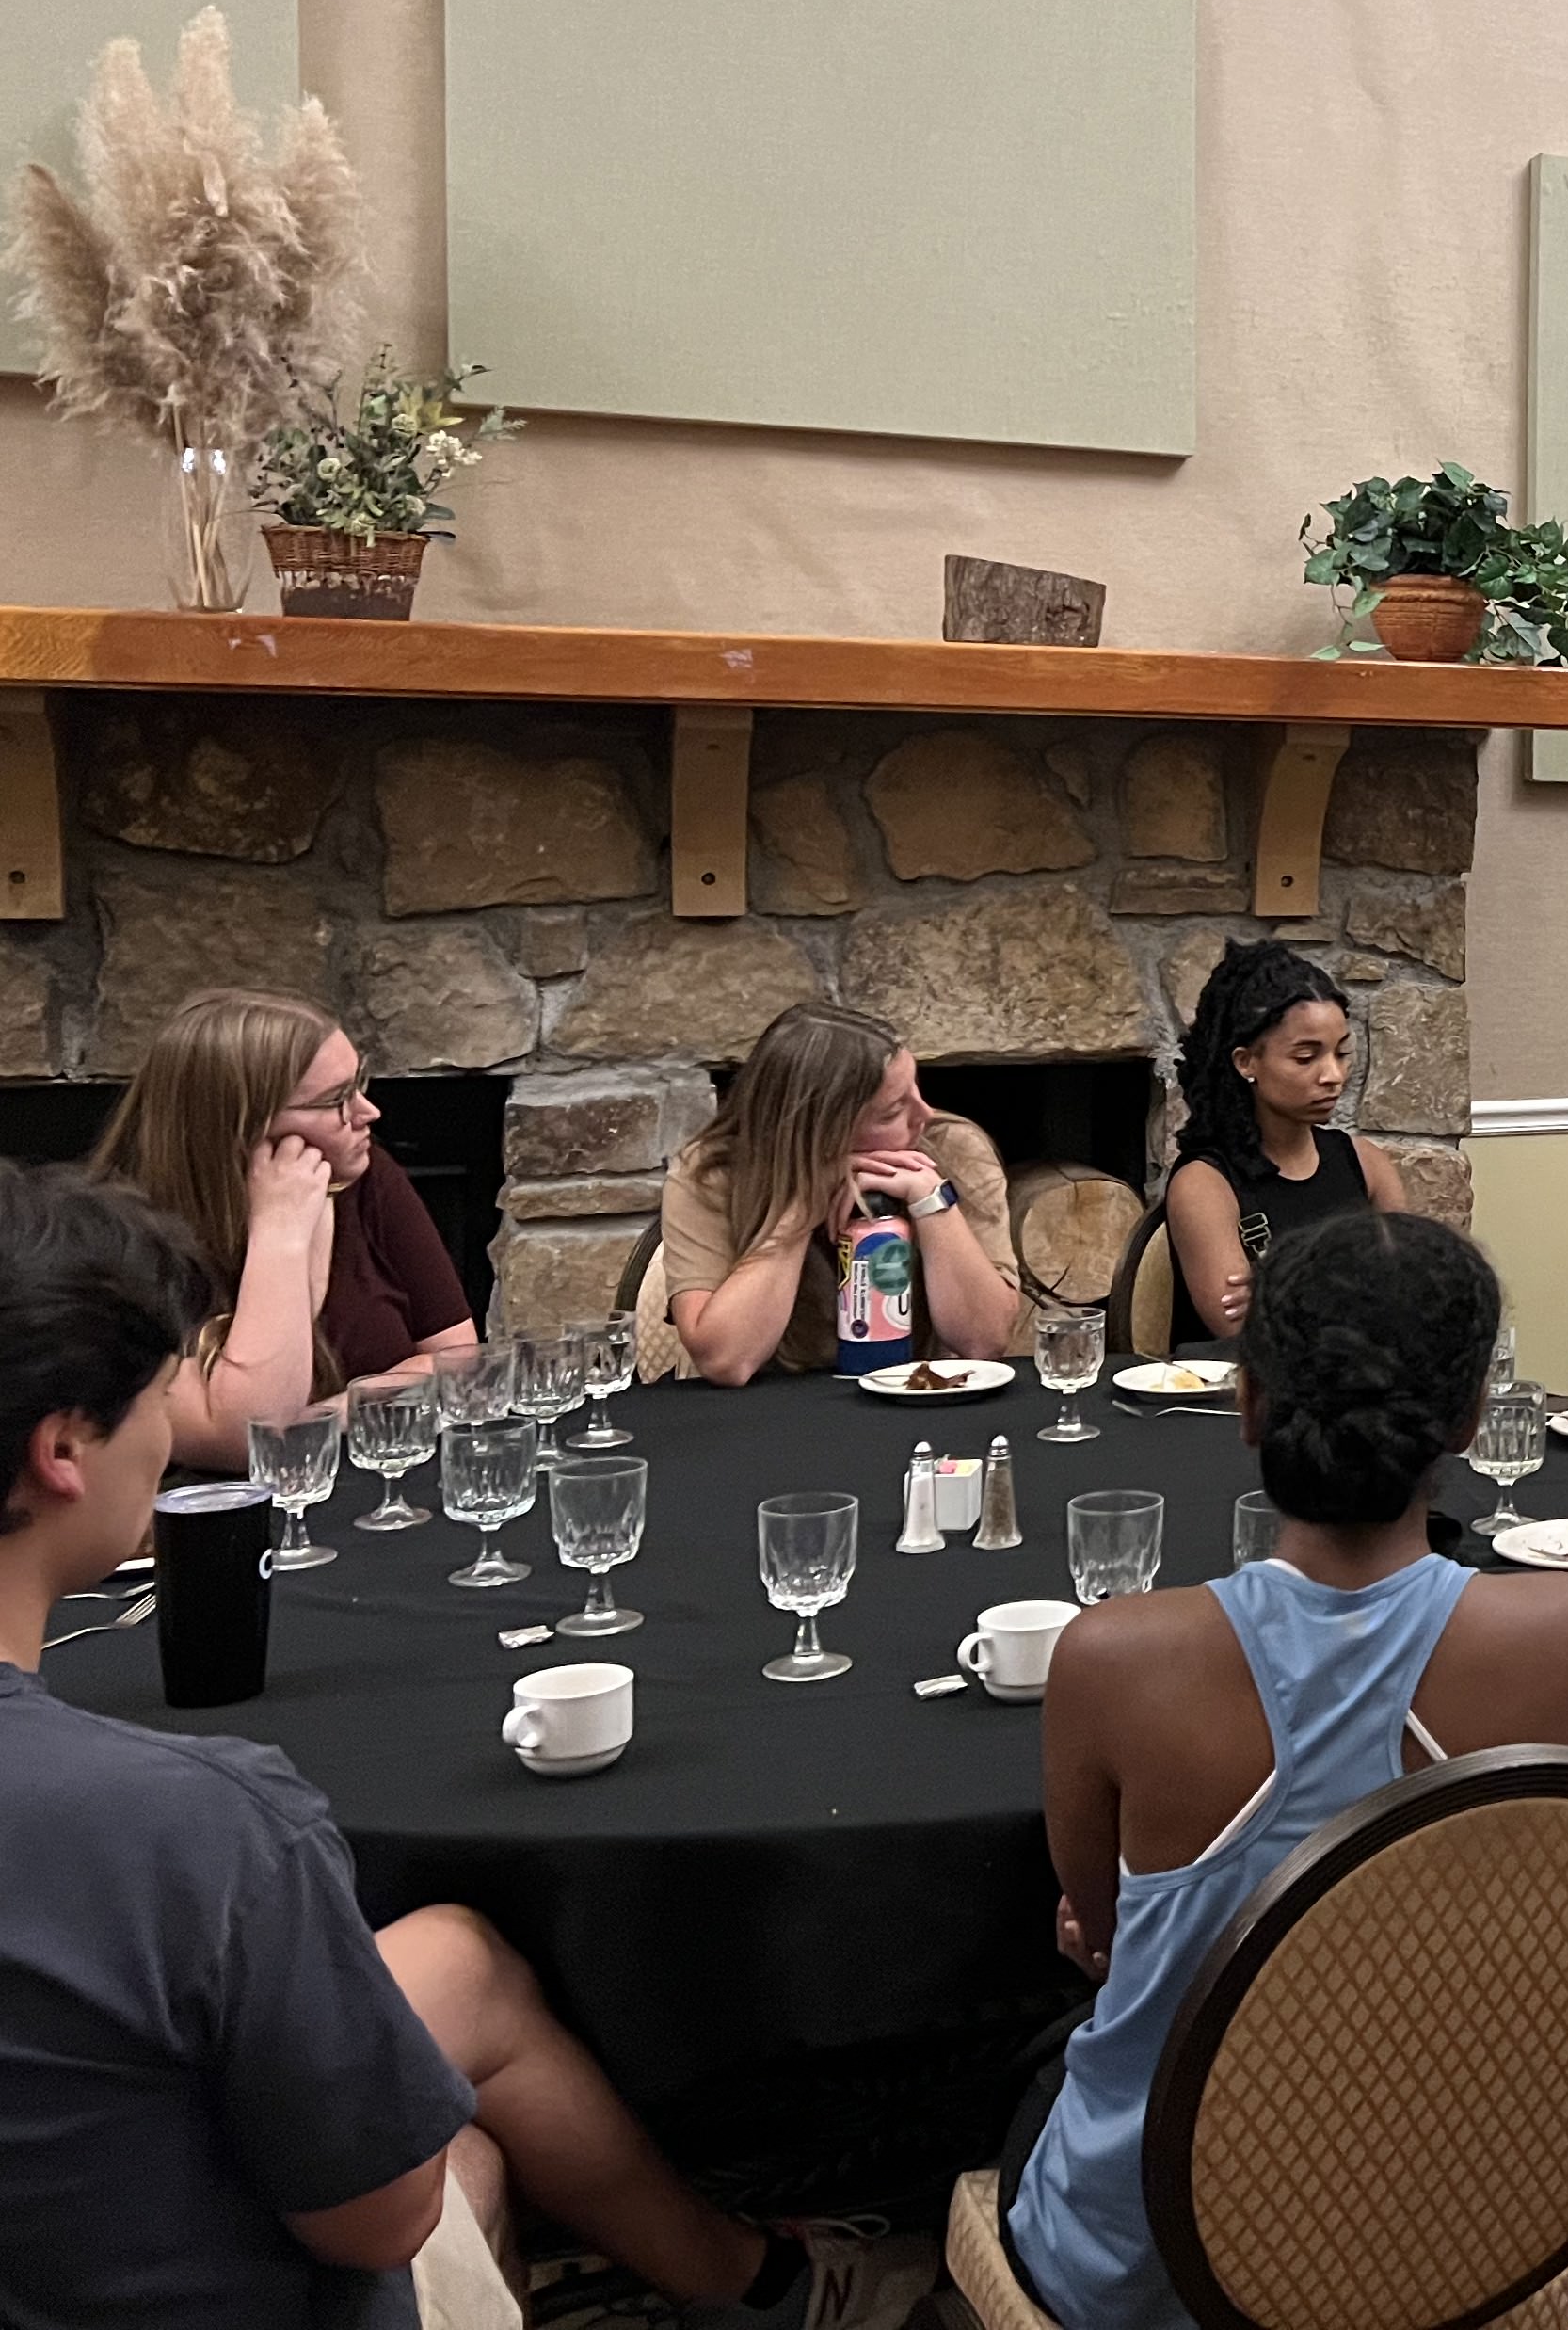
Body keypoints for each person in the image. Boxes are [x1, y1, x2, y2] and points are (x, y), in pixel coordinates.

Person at [0, 1161, 931, 2330]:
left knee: (459, 1961)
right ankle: (762, 2277)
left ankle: (749, 2278)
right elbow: (375, 2218)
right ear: (62, 1451)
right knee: (459, 2170)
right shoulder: (199, 1825)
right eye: (163, 1389)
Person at [1009, 1210, 1568, 2330]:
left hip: (1172, 2268)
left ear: (1248, 1404)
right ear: (1467, 1421)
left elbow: (1103, 1936)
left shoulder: (1112, 1659)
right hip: (1471, 2234)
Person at [88, 987, 478, 1469]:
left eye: (359, 1083)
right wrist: (282, 1230)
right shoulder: (116, 1245)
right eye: (336, 1099)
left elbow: (459, 1360)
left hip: (380, 1487)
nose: (367, 1113)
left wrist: (335, 1412)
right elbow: (246, 1439)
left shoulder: (365, 1176)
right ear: (238, 1126)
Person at [655, 1002, 1023, 1385]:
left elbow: (985, 1342)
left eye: (916, 1087)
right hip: (772, 1408)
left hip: (916, 1397)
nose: (925, 1114)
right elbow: (726, 1361)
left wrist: (932, 1201)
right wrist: (803, 1205)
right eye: (891, 1112)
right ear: (820, 1131)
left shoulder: (952, 1147)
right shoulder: (710, 1174)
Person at [1160, 940, 1405, 1342]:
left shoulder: (1366, 1164)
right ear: (1246, 1062)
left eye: (1341, 1054)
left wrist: (1286, 1288)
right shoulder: (1205, 1184)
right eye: (1306, 1057)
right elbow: (1243, 1331)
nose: (1334, 1076)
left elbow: (1417, 1295)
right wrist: (1365, 1282)